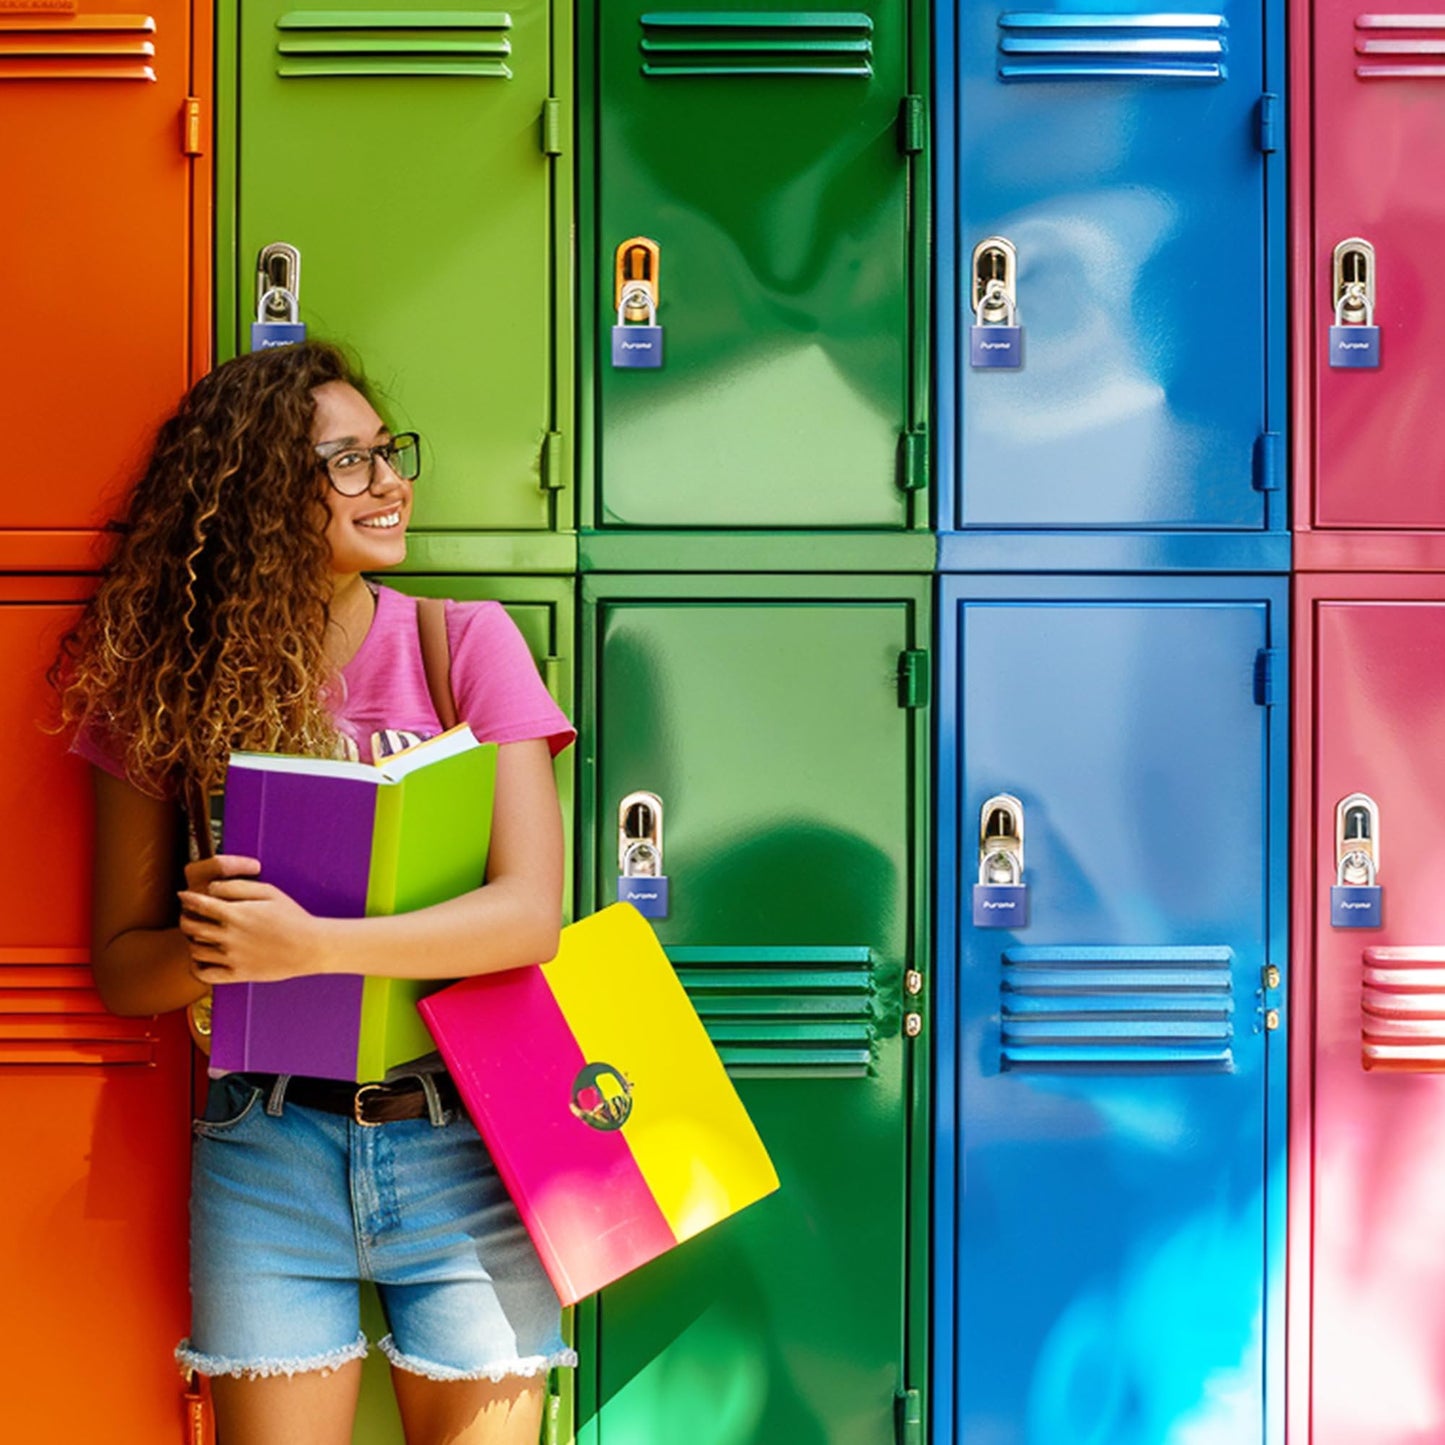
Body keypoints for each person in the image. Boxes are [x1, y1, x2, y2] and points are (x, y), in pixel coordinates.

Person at [51, 342, 577, 1445]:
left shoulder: (462, 642)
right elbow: (122, 970)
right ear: (255, 496)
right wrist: (213, 938)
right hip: (264, 1147)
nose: (391, 482)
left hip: (461, 1141)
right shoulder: (170, 685)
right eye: (349, 462)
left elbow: (531, 914)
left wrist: (313, 942)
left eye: (389, 454)